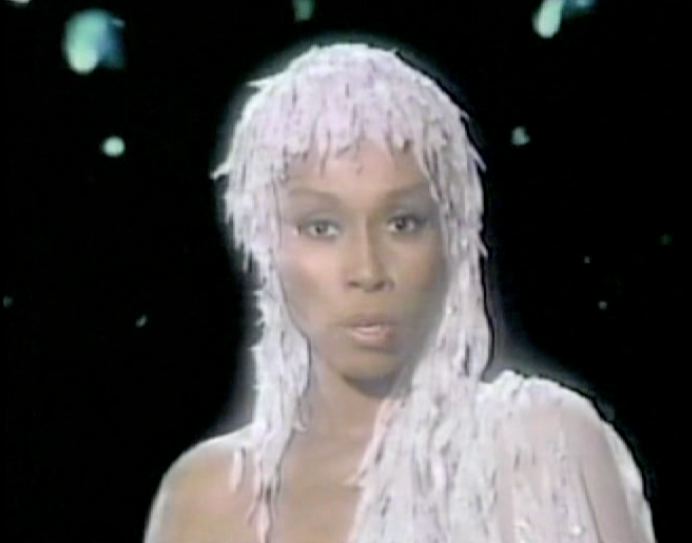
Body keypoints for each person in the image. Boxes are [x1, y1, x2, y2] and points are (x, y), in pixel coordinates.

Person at [143, 42, 657, 543]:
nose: (367, 270)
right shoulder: (205, 498)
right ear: (262, 240)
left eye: (403, 223)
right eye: (322, 227)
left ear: (454, 234)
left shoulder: (541, 447)